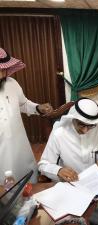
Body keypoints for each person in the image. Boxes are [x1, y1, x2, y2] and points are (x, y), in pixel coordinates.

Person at [38, 97, 98, 182]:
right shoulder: (59, 133)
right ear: (73, 118)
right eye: (81, 125)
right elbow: (44, 164)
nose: (85, 130)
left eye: (90, 125)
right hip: (71, 183)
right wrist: (58, 171)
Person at [0, 48, 53, 184]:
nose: (2, 74)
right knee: (6, 188)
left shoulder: (12, 83)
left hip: (20, 145)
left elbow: (23, 104)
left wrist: (38, 108)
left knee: (28, 181)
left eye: (4, 69)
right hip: (2, 151)